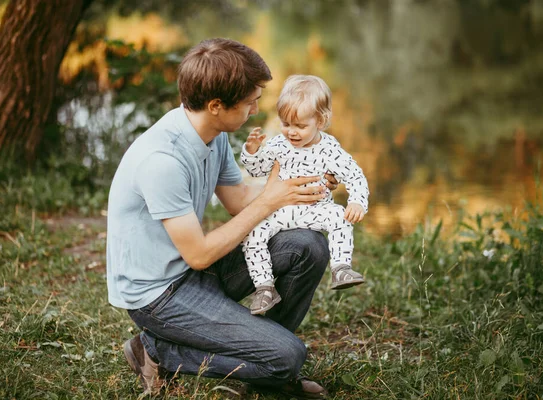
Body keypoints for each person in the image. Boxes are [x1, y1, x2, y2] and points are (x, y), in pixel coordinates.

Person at [106, 38, 335, 399]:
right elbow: (199, 254)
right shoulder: (162, 161)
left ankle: (264, 360)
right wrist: (270, 202)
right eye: (250, 102)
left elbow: (239, 199)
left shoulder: (210, 135)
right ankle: (156, 350)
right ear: (216, 105)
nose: (257, 110)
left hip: (190, 271)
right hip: (159, 296)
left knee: (309, 244)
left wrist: (298, 183)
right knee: (289, 356)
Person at [240, 75, 370, 315]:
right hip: (279, 210)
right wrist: (251, 152)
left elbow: (354, 175)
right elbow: (257, 170)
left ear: (320, 121)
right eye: (286, 124)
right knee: (252, 235)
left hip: (315, 209)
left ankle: (341, 268)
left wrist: (357, 201)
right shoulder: (278, 144)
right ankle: (265, 288)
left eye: (300, 126)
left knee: (340, 217)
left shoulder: (330, 149)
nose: (292, 132)